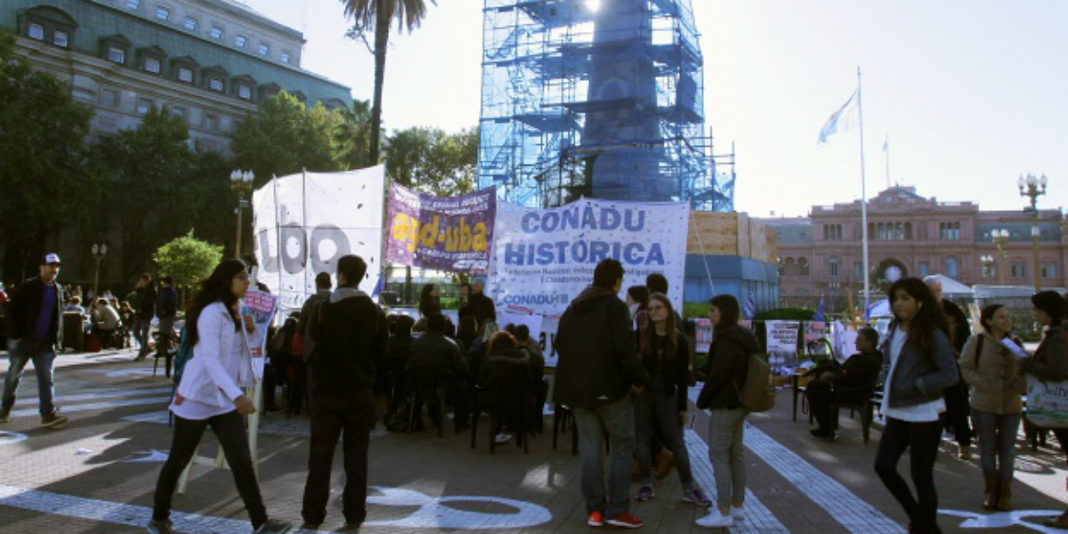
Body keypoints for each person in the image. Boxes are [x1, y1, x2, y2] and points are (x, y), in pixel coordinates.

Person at [149, 259, 290, 534]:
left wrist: (250, 331)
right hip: (198, 395)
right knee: (179, 459)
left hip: (223, 397)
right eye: (241, 277)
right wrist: (238, 396)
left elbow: (239, 353)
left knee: (241, 460)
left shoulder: (236, 309)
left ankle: (260, 522)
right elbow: (211, 360)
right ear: (227, 280)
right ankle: (158, 517)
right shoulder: (212, 312)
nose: (247, 281)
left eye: (247, 276)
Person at [554, 258, 648, 529]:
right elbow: (625, 350)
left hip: (576, 393)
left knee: (591, 450)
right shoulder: (614, 307)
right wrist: (639, 379)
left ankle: (595, 510)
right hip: (610, 392)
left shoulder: (574, 307)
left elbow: (560, 344)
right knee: (621, 446)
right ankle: (617, 509)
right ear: (617, 282)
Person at [301, 255, 388, 530]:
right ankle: (354, 513)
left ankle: (313, 514)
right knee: (357, 456)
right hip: (360, 392)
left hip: (326, 392)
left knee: (320, 455)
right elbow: (382, 358)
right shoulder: (374, 312)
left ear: (340, 274)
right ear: (361, 276)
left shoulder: (324, 309)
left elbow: (309, 349)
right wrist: (381, 393)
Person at [873, 277, 959, 534]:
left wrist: (919, 384)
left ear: (920, 302)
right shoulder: (893, 329)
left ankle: (926, 528)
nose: (899, 303)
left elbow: (949, 374)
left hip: (924, 412)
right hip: (897, 409)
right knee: (884, 466)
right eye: (896, 298)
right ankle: (921, 520)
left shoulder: (931, 333)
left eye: (906, 298)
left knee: (921, 476)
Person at [632, 293, 710, 507]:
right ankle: (647, 484)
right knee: (642, 439)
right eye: (651, 308)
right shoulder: (641, 335)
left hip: (667, 395)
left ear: (667, 310)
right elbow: (631, 364)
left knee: (677, 442)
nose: (654, 311)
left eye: (658, 307)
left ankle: (688, 488)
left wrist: (683, 407)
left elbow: (683, 378)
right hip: (642, 395)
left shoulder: (679, 339)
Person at [695, 294, 759, 528]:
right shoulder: (743, 337)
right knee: (735, 453)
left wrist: (702, 400)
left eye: (713, 311)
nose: (709, 315)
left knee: (718, 453)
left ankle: (723, 509)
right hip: (741, 403)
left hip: (726, 403)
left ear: (724, 312)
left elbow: (719, 374)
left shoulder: (726, 340)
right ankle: (737, 506)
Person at [959, 304, 1025, 511]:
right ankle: (990, 490)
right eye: (1001, 317)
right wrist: (978, 381)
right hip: (984, 403)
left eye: (1008, 317)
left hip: (1011, 405)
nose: (1007, 321)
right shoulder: (976, 341)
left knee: (1007, 450)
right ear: (989, 321)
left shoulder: (1014, 342)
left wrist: (1020, 384)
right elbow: (965, 366)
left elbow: (1026, 367)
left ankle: (1005, 493)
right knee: (987, 449)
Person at [0, 253, 68, 428]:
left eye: (57, 266)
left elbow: (58, 317)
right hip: (23, 341)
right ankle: (4, 411)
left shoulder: (58, 289)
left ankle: (48, 414)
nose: (54, 269)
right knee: (13, 377)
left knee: (46, 378)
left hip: (45, 343)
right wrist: (16, 334)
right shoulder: (28, 286)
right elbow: (9, 311)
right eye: (50, 265)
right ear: (41, 267)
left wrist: (57, 342)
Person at [1018, 291, 1068, 528]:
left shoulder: (1058, 336)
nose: (1034, 313)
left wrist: (1027, 363)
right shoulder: (1060, 333)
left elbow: (1057, 371)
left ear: (1047, 311)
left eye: (1036, 309)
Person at [923, 275, 973, 460]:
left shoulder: (952, 310)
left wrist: (957, 355)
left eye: (938, 291)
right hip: (928, 367)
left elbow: (965, 336)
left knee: (957, 405)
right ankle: (931, 444)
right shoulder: (920, 311)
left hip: (951, 364)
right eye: (932, 291)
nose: (936, 294)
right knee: (931, 407)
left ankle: (964, 444)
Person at [805, 327, 883, 439]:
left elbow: (853, 379)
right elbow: (846, 372)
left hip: (853, 393)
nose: (855, 341)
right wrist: (833, 370)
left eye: (859, 339)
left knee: (815, 392)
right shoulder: (861, 357)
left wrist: (833, 376)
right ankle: (829, 427)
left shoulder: (870, 360)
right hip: (845, 389)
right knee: (815, 385)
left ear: (869, 342)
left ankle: (827, 428)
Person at [406, 313, 469, 431]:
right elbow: (462, 368)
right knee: (462, 385)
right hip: (439, 384)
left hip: (415, 383)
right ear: (444, 327)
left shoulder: (415, 343)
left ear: (427, 326)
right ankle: (461, 421)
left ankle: (417, 419)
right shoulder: (450, 344)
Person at [298, 272, 333, 362]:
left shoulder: (310, 302)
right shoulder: (337, 301)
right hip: (332, 351)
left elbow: (301, 329)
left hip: (312, 352)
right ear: (330, 284)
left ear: (316, 284)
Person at [133, 273, 157, 361]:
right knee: (135, 332)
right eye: (141, 281)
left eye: (143, 281)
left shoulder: (151, 290)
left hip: (146, 314)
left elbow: (150, 302)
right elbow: (136, 293)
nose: (142, 282)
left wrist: (142, 308)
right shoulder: (141, 289)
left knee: (144, 333)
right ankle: (146, 347)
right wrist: (138, 287)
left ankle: (142, 353)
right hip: (139, 313)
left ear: (147, 281)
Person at [156, 276, 179, 343]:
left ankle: (165, 347)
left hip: (168, 314)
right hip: (161, 315)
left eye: (163, 282)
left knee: (164, 332)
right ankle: (170, 345)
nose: (162, 284)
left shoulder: (171, 292)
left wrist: (165, 311)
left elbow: (172, 303)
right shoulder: (163, 292)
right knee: (163, 331)